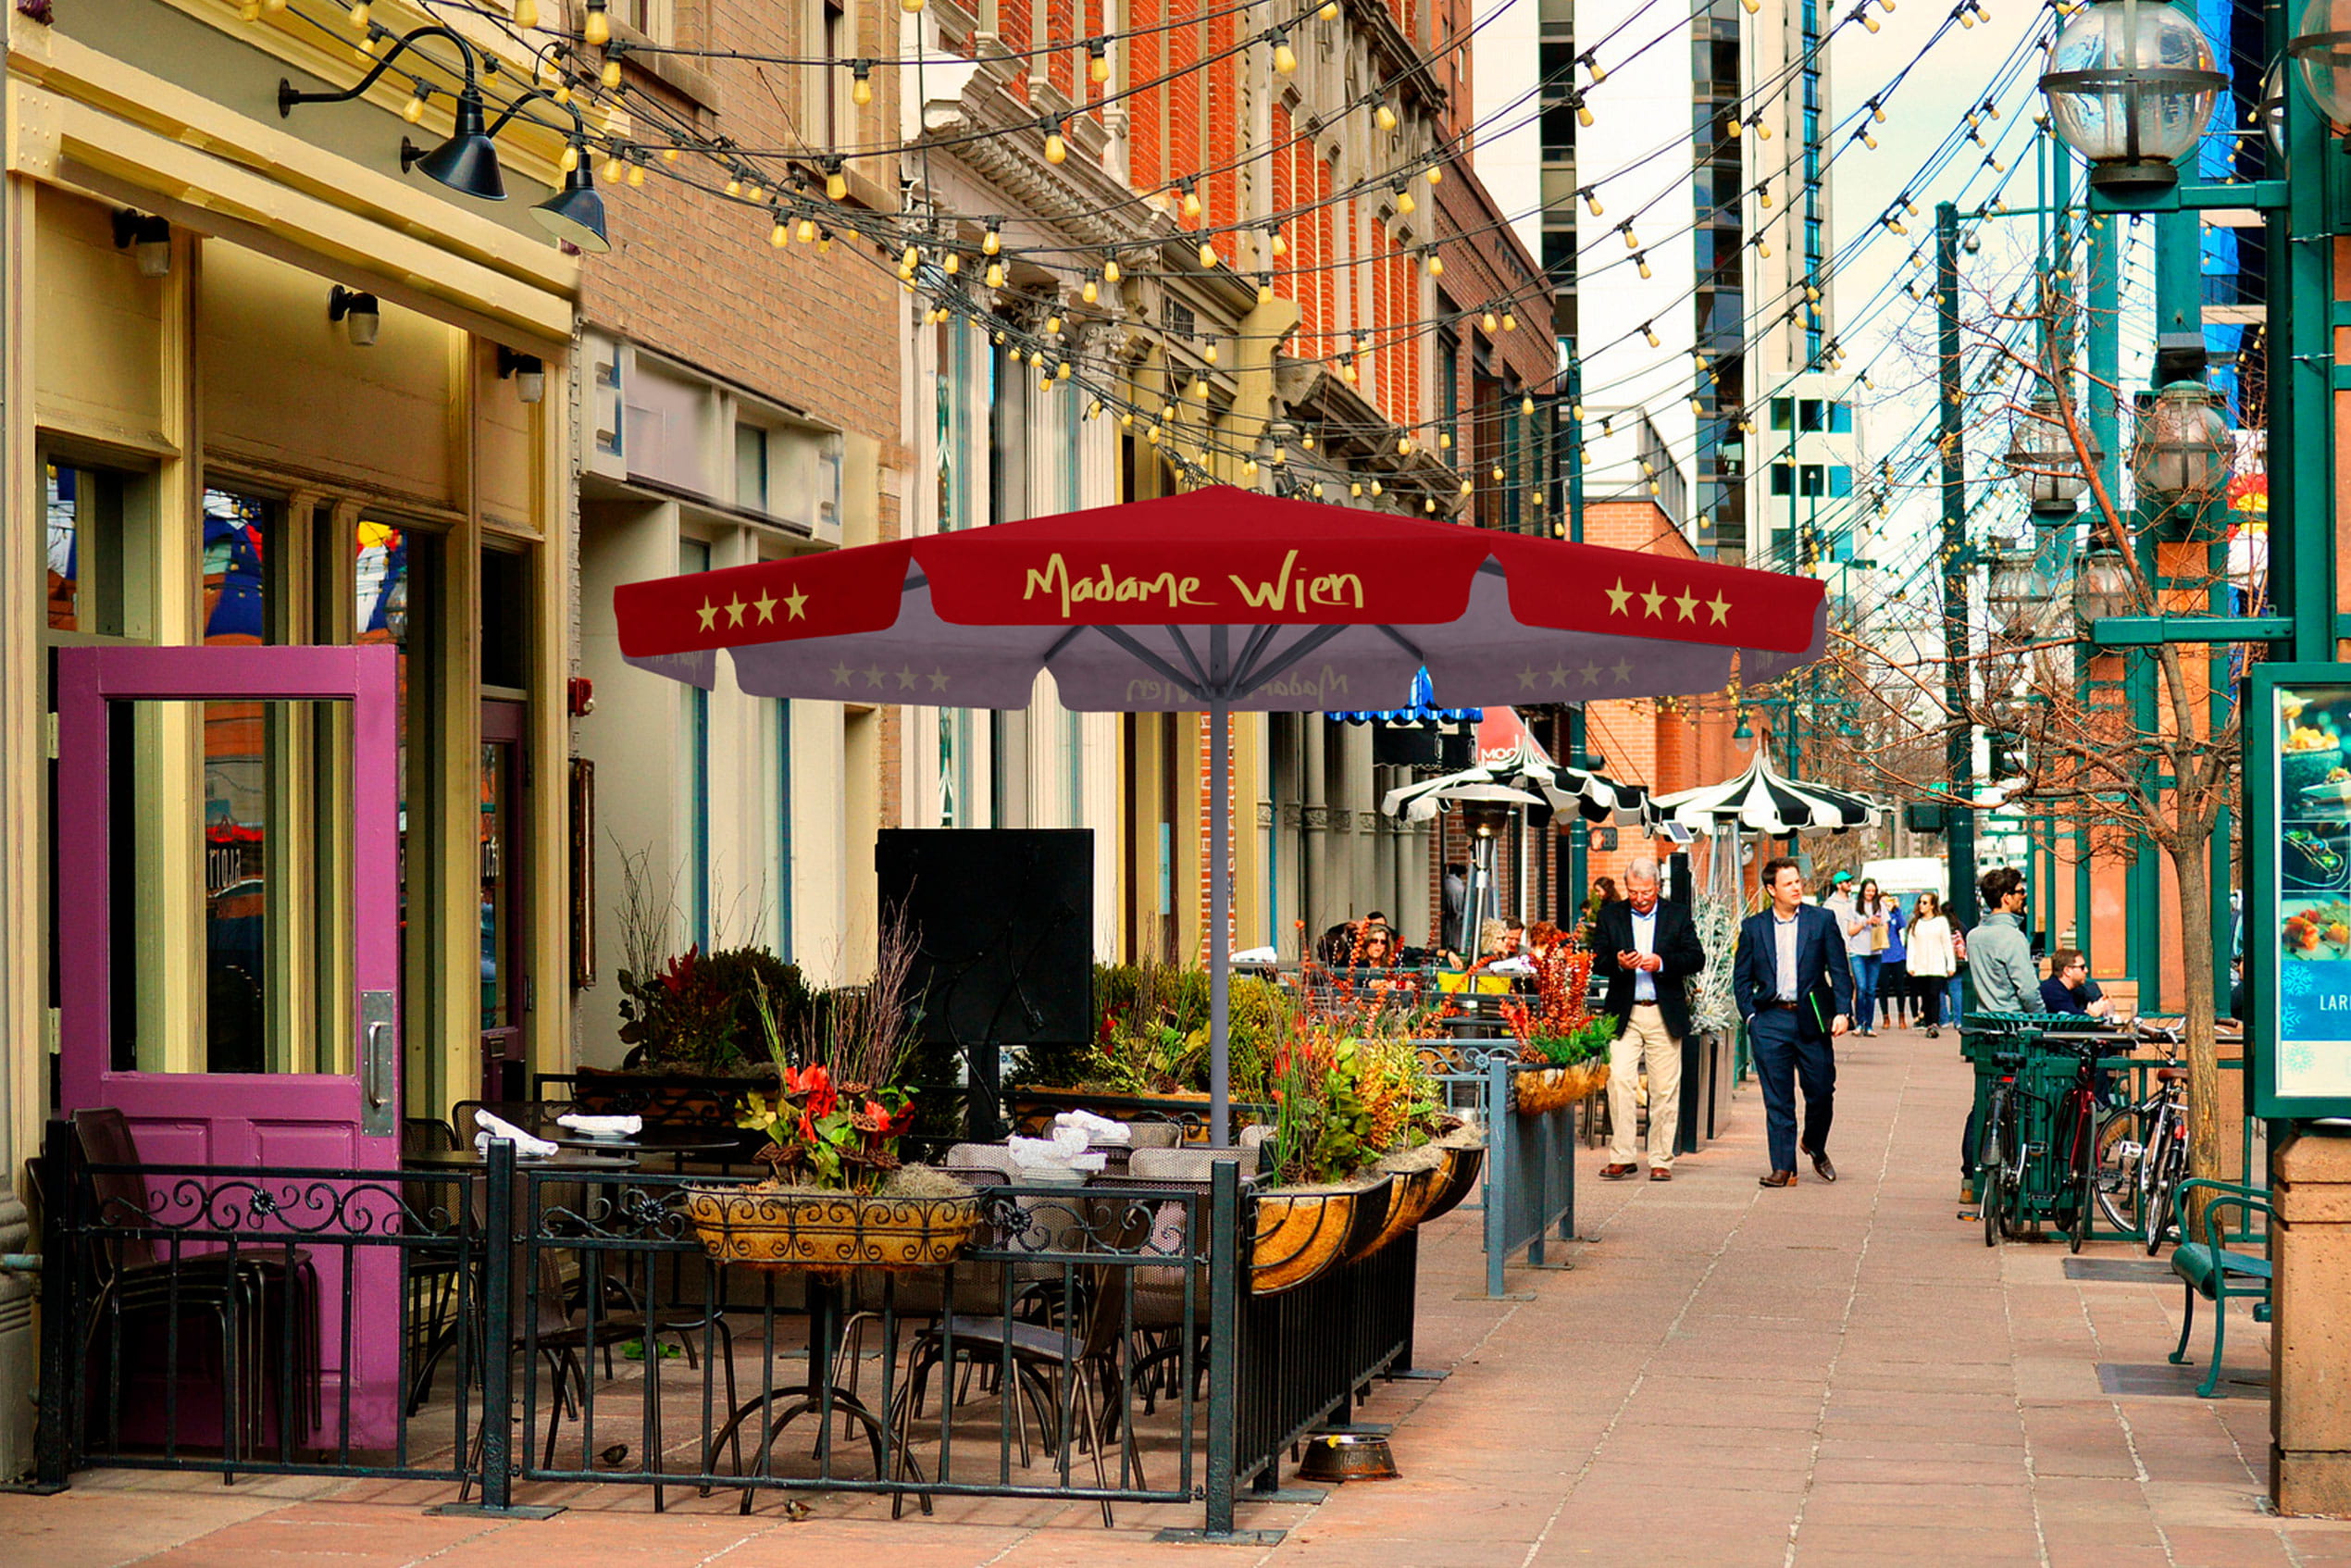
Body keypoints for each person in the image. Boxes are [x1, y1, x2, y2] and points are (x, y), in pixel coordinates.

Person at [1734, 857, 1854, 1188]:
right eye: (1788, 884)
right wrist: (1752, 1018)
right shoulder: (1754, 928)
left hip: (1812, 1019)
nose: (1797, 887)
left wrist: (1843, 1011)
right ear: (1772, 889)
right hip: (1770, 1019)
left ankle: (1814, 1143)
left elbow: (1840, 971)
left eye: (1798, 881)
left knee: (1820, 1091)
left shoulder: (1821, 920)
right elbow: (1741, 978)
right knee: (1778, 1098)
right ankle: (1783, 1168)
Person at [1590, 858, 1708, 1182]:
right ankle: (1623, 1156)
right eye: (1633, 891)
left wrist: (1662, 962)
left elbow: (1696, 957)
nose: (1640, 897)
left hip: (1663, 1010)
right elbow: (1596, 959)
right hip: (1623, 1011)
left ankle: (1660, 1159)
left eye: (1646, 891)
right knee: (1618, 1081)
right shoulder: (1611, 915)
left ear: (1657, 886)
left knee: (1664, 1089)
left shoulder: (1677, 915)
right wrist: (1616, 962)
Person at [1968, 867, 2038, 1014]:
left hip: (1985, 1021)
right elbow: (2028, 990)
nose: (2024, 896)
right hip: (2013, 1022)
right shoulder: (2013, 938)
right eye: (2020, 891)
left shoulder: (1973, 937)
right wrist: (2041, 1016)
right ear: (2007, 898)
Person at [1907, 891, 1958, 1039]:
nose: (1921, 905)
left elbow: (1947, 943)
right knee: (1926, 996)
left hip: (1937, 965)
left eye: (1925, 903)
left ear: (1932, 905)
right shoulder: (1916, 923)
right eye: (1920, 902)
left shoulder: (1941, 921)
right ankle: (1928, 1022)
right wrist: (1910, 964)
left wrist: (1951, 965)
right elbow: (1912, 945)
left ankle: (1934, 1023)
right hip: (1921, 965)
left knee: (1934, 994)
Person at [1842, 877, 1889, 1037]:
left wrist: (1878, 924)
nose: (1870, 894)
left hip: (1875, 952)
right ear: (1862, 891)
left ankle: (1869, 1024)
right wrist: (1865, 922)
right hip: (1857, 952)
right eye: (1868, 891)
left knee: (1870, 989)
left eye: (1873, 891)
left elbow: (1887, 927)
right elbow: (1850, 931)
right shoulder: (1854, 906)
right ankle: (1859, 1022)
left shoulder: (1881, 906)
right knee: (1861, 987)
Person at [2038, 949, 2115, 1019]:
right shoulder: (2051, 991)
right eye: (2082, 967)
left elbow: (2101, 1005)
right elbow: (2073, 1019)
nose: (2086, 970)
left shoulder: (2081, 990)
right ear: (2067, 971)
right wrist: (2091, 1015)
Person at [1877, 895, 1910, 1030]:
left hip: (1897, 955)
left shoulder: (1894, 915)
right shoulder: (1878, 916)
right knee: (1883, 989)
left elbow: (1902, 925)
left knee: (1900, 988)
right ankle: (1886, 1017)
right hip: (1882, 956)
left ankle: (1901, 1016)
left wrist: (1897, 909)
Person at [1441, 864, 1468, 953]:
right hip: (1454, 919)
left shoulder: (1447, 883)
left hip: (1449, 918)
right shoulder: (1457, 887)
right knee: (1455, 941)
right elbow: (1458, 907)